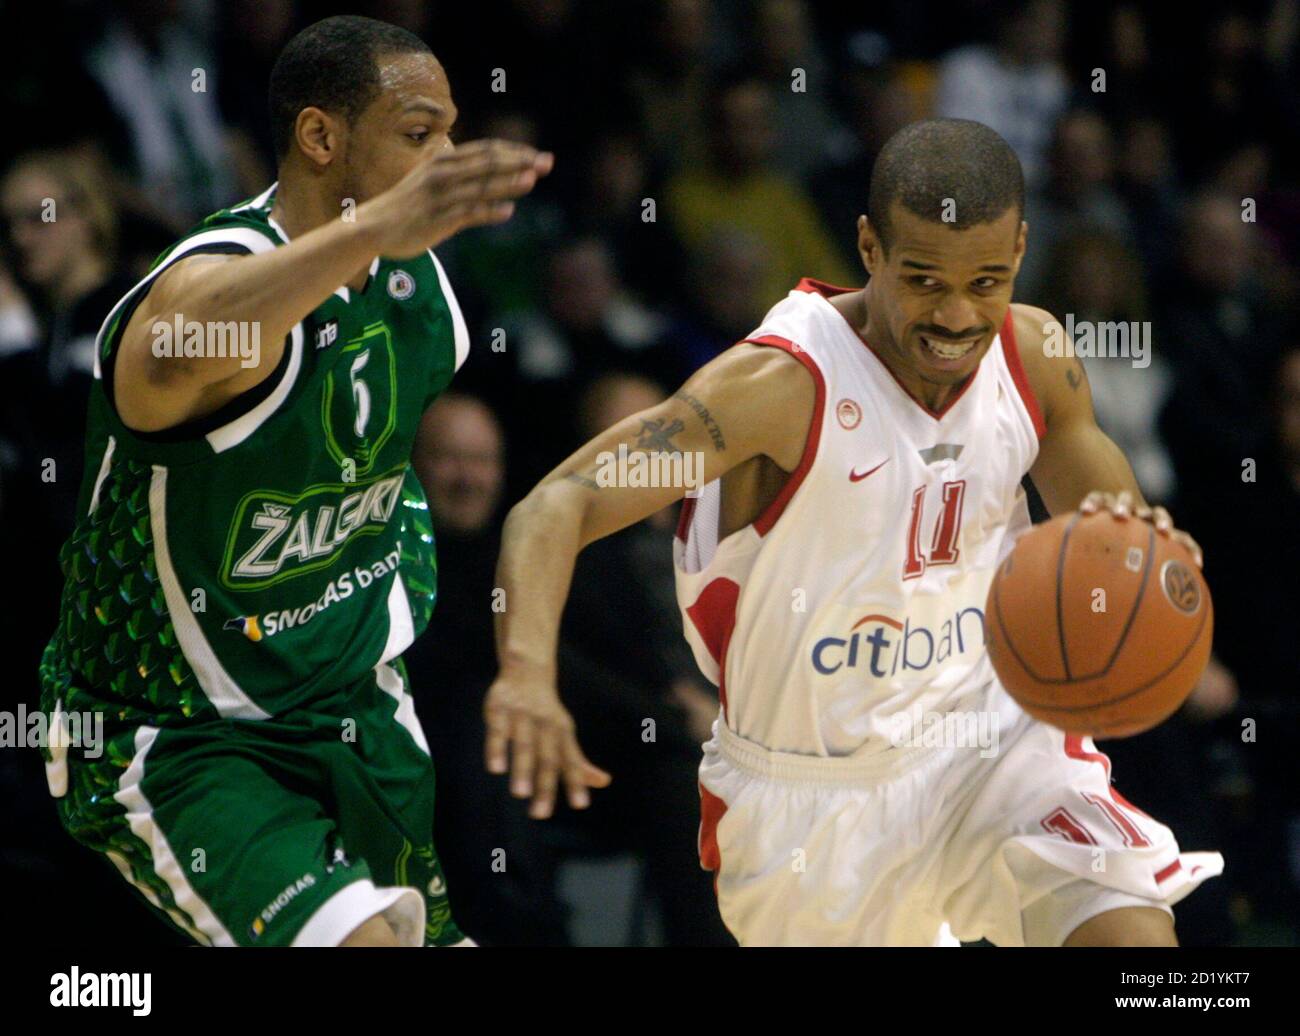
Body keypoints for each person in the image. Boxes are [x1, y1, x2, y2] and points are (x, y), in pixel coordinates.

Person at [485, 118, 1223, 946]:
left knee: (1131, 932)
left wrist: (1147, 559)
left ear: (1020, 248)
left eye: (986, 280)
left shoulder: (1035, 357)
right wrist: (523, 673)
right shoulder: (778, 386)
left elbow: (1117, 539)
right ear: (868, 246)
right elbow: (555, 506)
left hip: (991, 743)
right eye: (923, 279)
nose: (955, 316)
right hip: (810, 800)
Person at [36, 14, 551, 947]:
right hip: (178, 729)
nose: (446, 156)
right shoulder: (219, 281)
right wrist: (374, 230)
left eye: (450, 132)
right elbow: (163, 353)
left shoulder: (423, 292)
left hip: (352, 703)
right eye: (416, 132)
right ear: (321, 137)